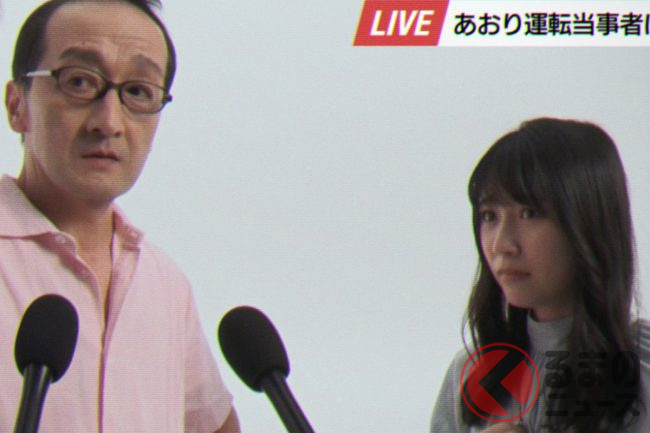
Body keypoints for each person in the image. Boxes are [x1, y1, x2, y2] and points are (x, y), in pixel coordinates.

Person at [1, 0, 240, 431]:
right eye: (79, 81)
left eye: (138, 92)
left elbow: (213, 423)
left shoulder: (163, 282)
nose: (109, 122)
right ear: (18, 105)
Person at [430, 118, 649, 433]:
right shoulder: (473, 373)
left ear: (587, 221)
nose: (501, 244)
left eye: (529, 213)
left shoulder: (640, 370)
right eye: (489, 216)